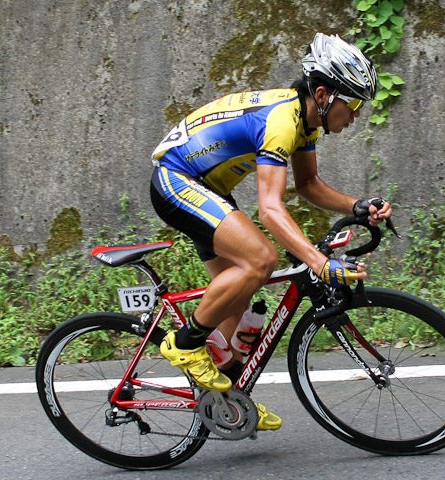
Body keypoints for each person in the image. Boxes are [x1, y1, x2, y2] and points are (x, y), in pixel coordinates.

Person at [149, 32, 392, 431]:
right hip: (176, 179)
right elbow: (271, 208)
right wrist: (319, 262)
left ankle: (227, 400)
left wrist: (356, 205)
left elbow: (309, 185)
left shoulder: (305, 121)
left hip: (208, 189)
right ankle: (186, 344)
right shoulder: (282, 120)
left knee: (238, 304)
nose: (356, 115)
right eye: (352, 103)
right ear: (323, 93)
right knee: (262, 259)